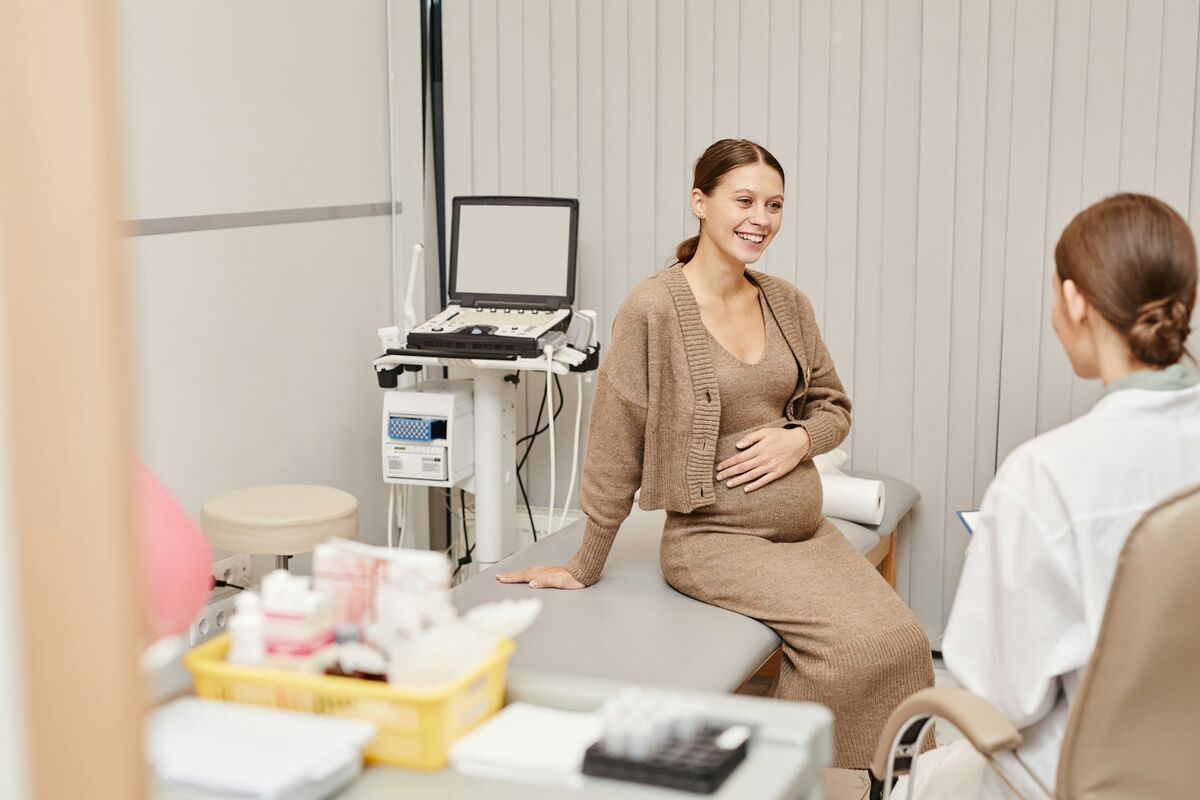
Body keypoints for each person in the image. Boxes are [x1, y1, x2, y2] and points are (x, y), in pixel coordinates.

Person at [498, 139, 933, 769]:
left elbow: (833, 407)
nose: (762, 218)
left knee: (904, 640)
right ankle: (787, 778)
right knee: (850, 649)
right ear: (700, 202)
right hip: (716, 542)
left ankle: (881, 781)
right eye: (745, 200)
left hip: (803, 532)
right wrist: (588, 560)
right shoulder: (652, 309)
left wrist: (798, 440)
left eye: (775, 204)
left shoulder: (787, 303)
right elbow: (615, 441)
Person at [892, 193, 1200, 798]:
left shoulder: (1045, 476)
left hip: (1072, 778)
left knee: (921, 780)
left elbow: (1000, 700)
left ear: (1074, 300)